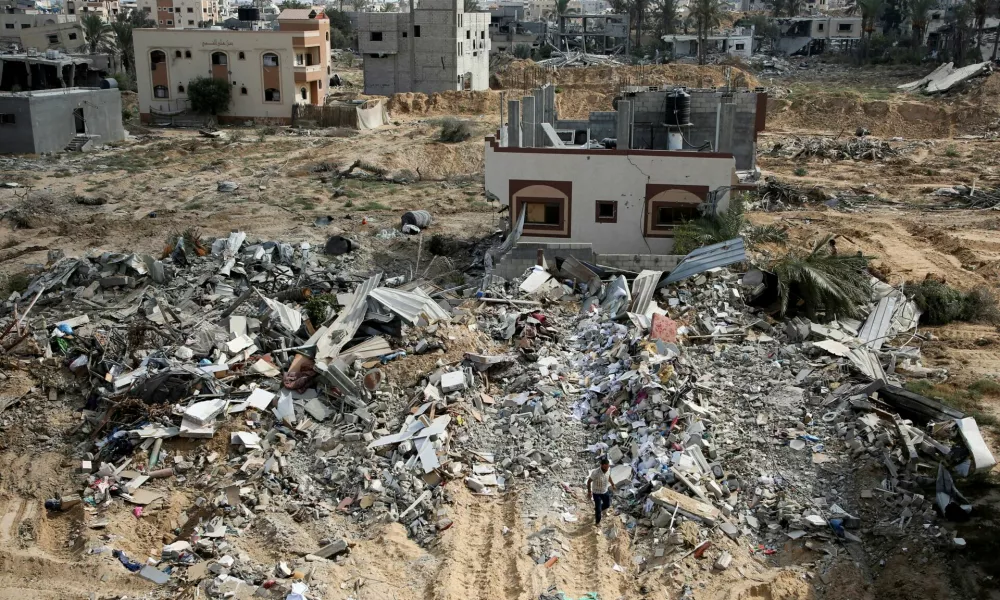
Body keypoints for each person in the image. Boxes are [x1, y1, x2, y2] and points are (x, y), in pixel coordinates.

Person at [586, 457, 616, 526]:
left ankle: (597, 509)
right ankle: (597, 522)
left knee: (607, 504)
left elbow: (609, 477)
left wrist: (613, 484)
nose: (607, 468)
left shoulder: (608, 470)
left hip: (605, 491)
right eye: (606, 467)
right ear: (601, 465)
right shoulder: (595, 472)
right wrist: (589, 492)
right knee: (599, 510)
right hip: (597, 493)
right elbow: (589, 482)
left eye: (608, 466)